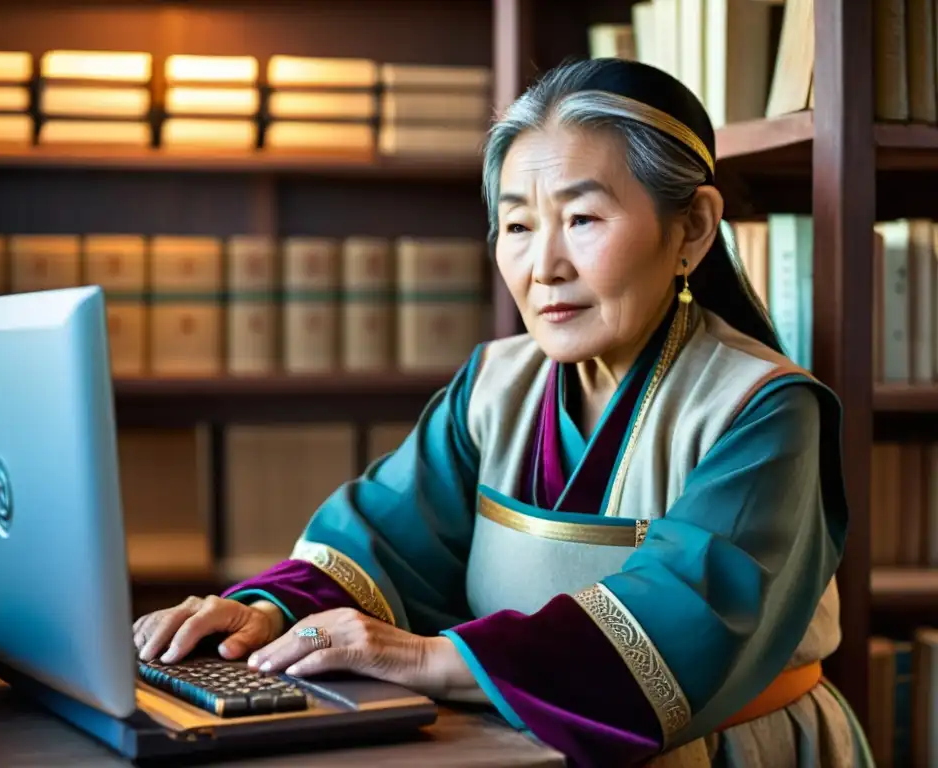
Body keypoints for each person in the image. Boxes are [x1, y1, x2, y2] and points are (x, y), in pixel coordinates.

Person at [132, 58, 872, 767]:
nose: (543, 265)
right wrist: (269, 614)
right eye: (517, 226)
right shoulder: (494, 383)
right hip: (515, 744)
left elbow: (684, 623)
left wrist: (423, 657)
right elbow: (384, 542)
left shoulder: (763, 409)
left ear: (693, 229)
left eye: (582, 218)